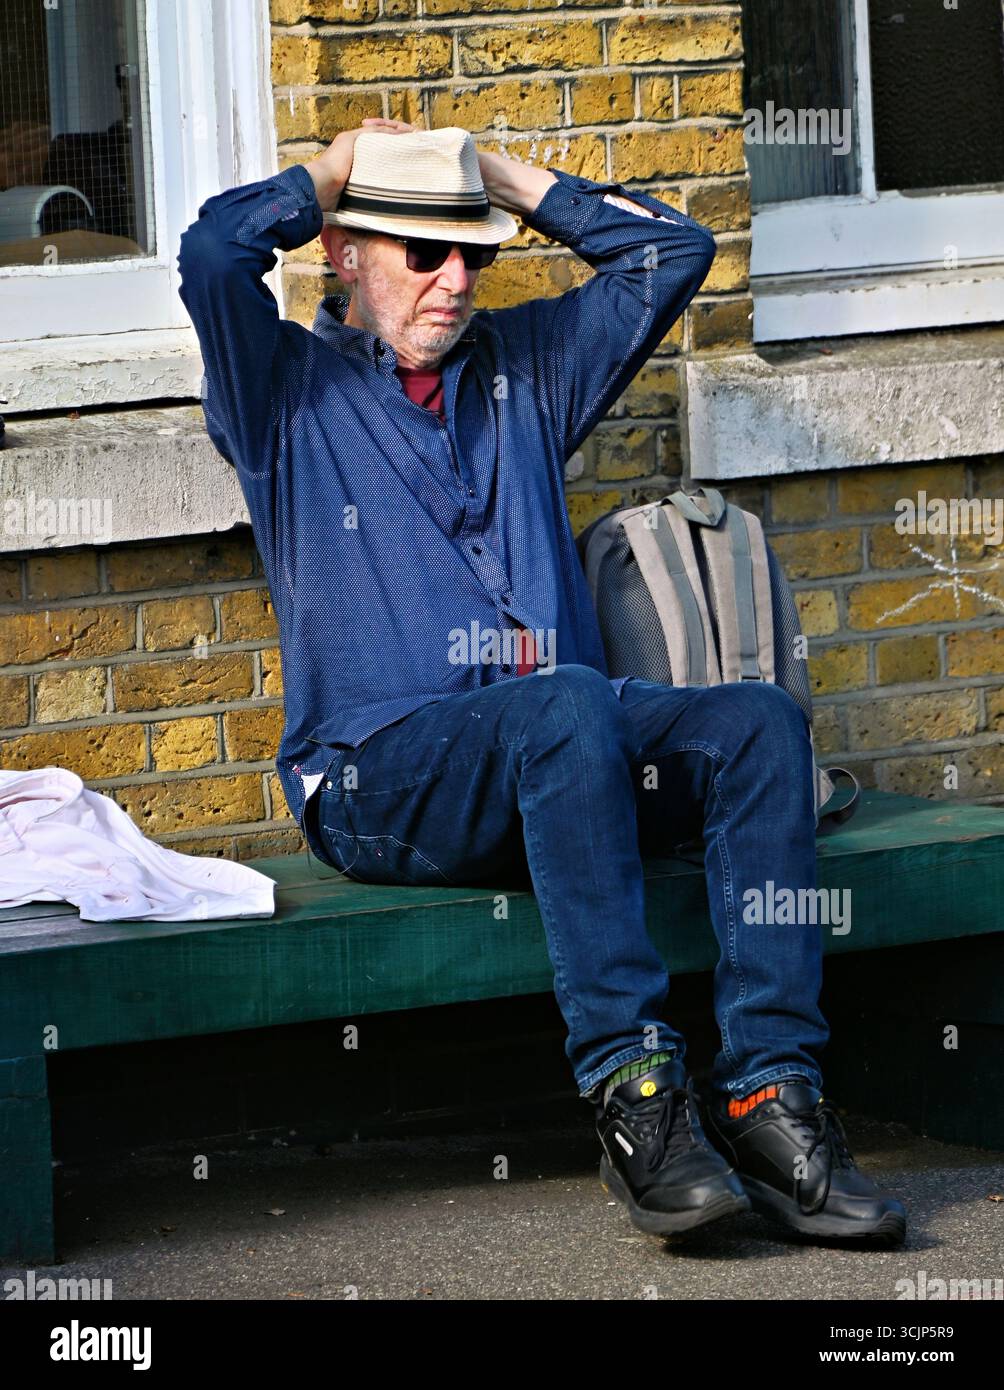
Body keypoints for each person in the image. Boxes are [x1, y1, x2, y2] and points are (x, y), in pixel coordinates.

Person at [177, 120, 906, 1245]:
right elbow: (211, 252)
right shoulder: (280, 393)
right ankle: (637, 1095)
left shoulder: (525, 369)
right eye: (424, 252)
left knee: (757, 723)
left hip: (565, 754)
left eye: (473, 252)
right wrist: (335, 168)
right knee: (562, 703)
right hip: (379, 778)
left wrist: (497, 178)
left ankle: (769, 1094)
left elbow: (670, 253)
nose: (455, 280)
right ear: (343, 254)